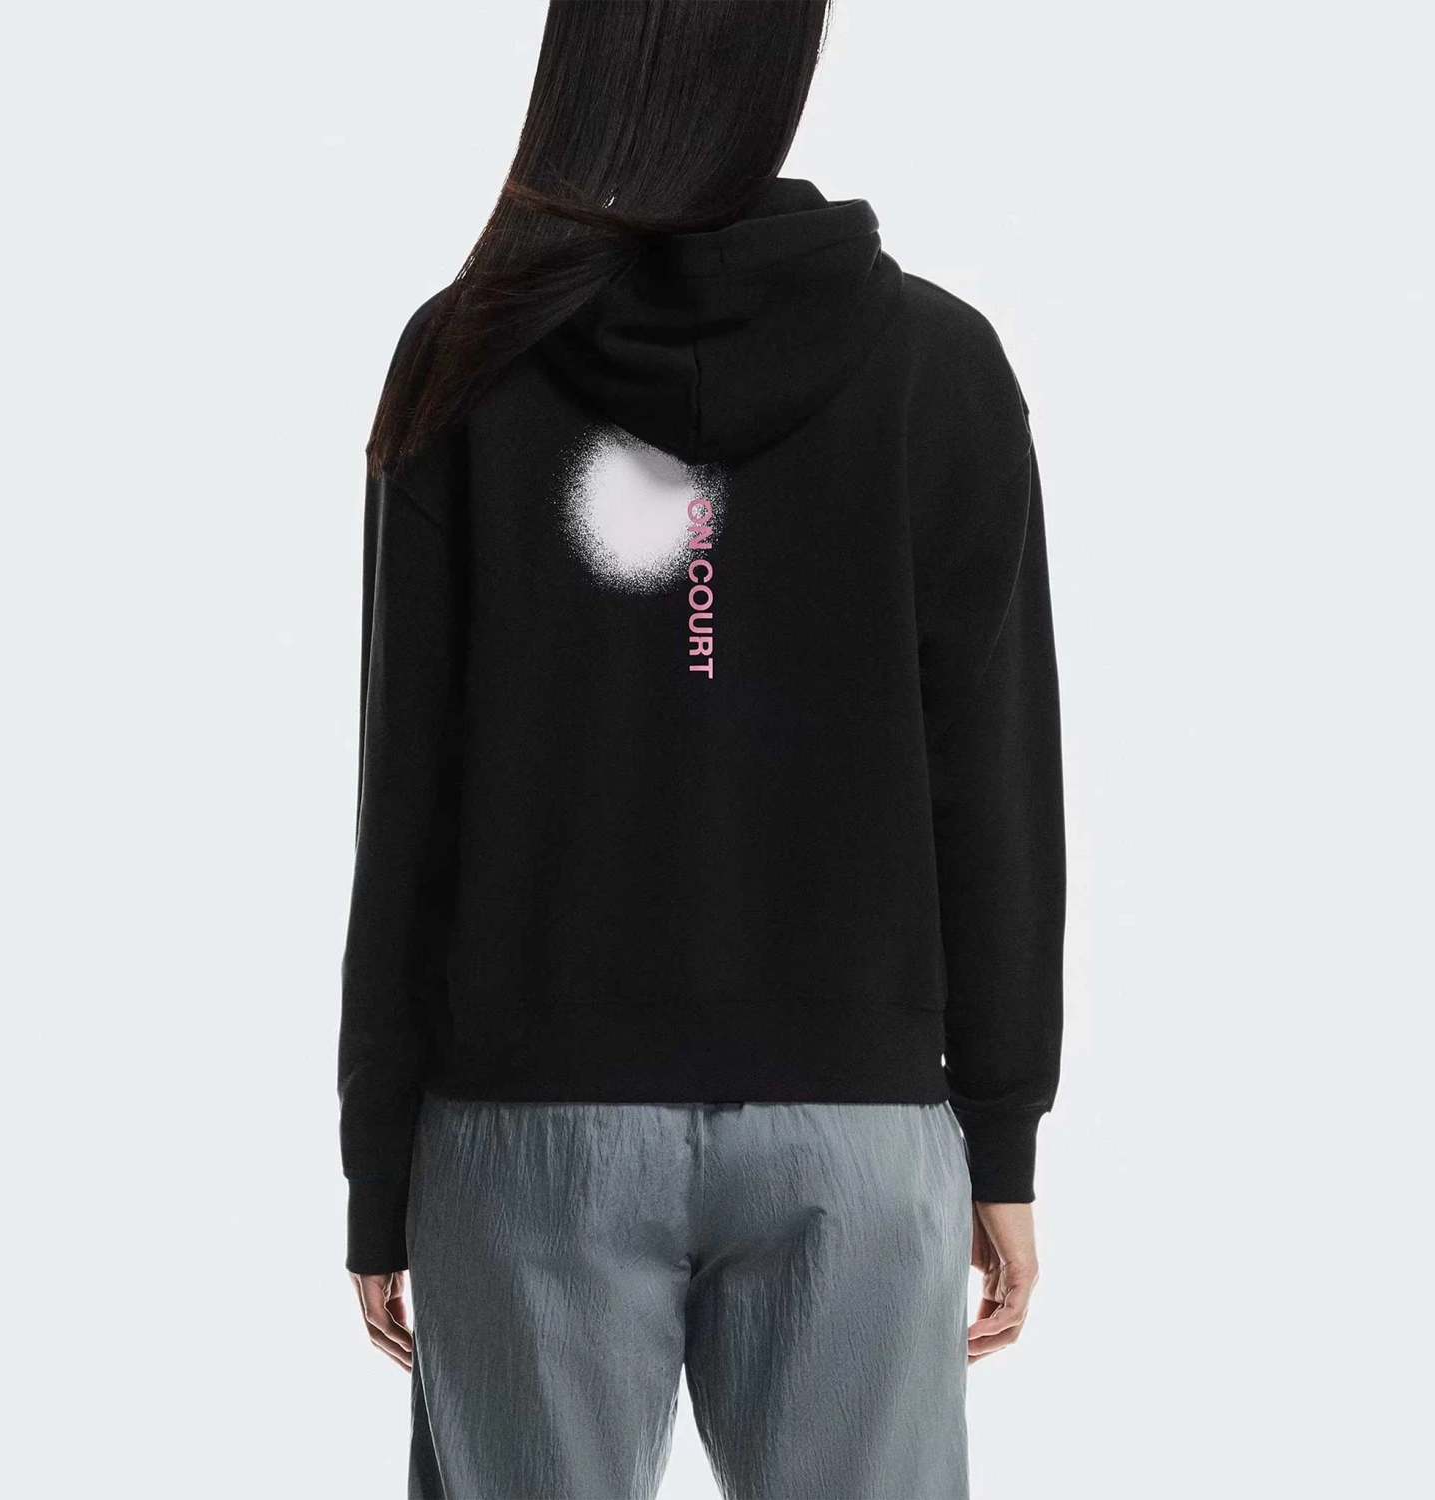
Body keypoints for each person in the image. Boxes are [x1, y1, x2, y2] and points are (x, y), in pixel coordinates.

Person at [337, 2, 1064, 1496]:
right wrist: (1000, 1132)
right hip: (856, 1119)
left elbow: (408, 785)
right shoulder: (940, 364)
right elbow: (993, 777)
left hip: (530, 1120)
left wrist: (379, 1161)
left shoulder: (466, 358)